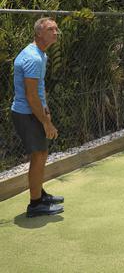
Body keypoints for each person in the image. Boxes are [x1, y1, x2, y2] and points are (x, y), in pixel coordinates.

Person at [11, 17, 64, 217]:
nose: (56, 32)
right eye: (51, 29)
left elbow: (39, 91)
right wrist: (45, 123)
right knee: (39, 155)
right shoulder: (33, 58)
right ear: (39, 33)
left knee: (41, 155)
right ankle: (35, 205)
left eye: (56, 29)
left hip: (34, 112)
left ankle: (39, 194)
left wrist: (47, 114)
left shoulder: (41, 55)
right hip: (27, 114)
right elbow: (31, 96)